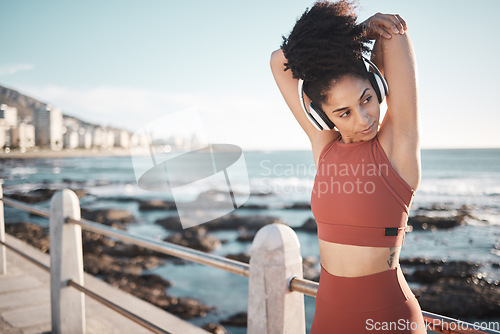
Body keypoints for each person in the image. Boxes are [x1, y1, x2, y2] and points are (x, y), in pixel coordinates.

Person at [270, 1, 426, 333]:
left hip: (388, 321)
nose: (364, 118)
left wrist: (361, 34)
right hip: (327, 317)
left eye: (366, 99)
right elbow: (278, 61)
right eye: (344, 113)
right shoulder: (324, 146)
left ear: (379, 87)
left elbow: (395, 35)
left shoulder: (398, 147)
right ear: (321, 116)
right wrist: (347, 37)